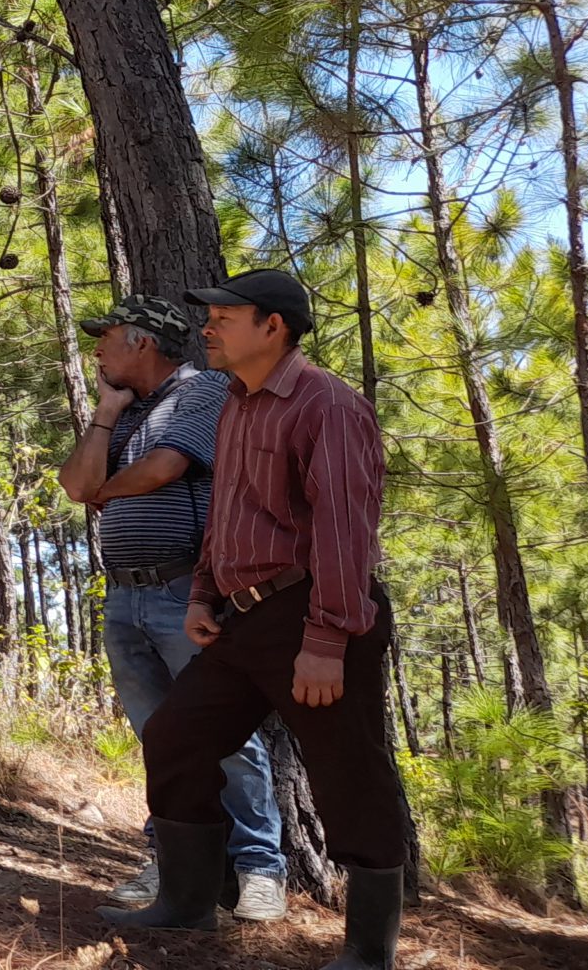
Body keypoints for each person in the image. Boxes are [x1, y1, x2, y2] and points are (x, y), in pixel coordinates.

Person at [102, 270, 407, 970]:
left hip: (313, 610)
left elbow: (344, 530)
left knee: (347, 774)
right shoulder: (236, 404)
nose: (207, 328)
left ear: (274, 326)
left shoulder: (326, 404)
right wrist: (206, 593)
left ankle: (368, 951)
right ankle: (187, 903)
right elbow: (228, 514)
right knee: (176, 736)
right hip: (240, 619)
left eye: (225, 317)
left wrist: (327, 639)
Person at [56, 296, 286, 921]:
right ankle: (176, 860)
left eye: (106, 338)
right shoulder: (122, 411)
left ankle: (259, 866)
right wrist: (105, 412)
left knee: (227, 736)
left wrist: (103, 487)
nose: (97, 349)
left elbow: (165, 467)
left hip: (185, 593)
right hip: (124, 595)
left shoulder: (203, 391)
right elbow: (75, 484)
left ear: (143, 342)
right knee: (160, 737)